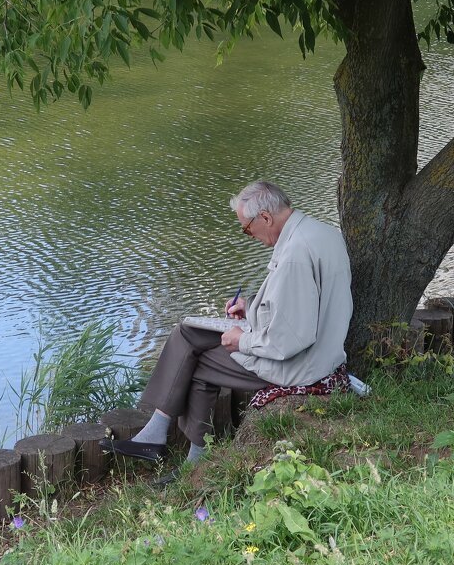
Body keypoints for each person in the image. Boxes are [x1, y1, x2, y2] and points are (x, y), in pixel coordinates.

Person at [102, 181, 353, 468]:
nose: (249, 236)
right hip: (324, 351)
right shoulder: (320, 233)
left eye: (247, 228)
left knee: (197, 364)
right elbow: (305, 306)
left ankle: (184, 454)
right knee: (188, 332)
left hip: (302, 367)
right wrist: (251, 308)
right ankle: (158, 436)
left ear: (266, 218)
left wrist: (241, 341)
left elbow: (292, 339)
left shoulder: (295, 254)